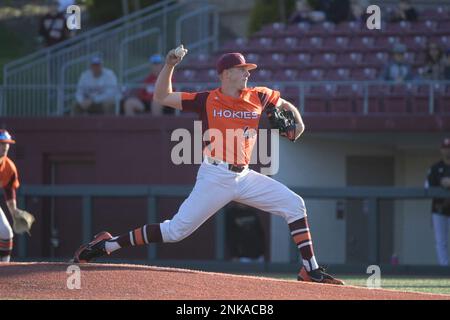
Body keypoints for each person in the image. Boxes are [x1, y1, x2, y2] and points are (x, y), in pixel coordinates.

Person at [72, 48, 344, 285]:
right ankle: (106, 245)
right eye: (242, 69)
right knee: (174, 231)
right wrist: (169, 65)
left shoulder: (258, 96)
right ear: (226, 73)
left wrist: (299, 124)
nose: (248, 73)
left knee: (294, 205)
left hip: (245, 176)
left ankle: (310, 270)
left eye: (248, 69)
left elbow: (287, 106)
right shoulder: (207, 99)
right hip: (215, 175)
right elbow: (162, 97)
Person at [0, 130, 26, 262]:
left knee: (6, 233)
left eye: (7, 144)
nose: (4, 147)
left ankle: (4, 269)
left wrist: (14, 212)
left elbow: (9, 191)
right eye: (1, 143)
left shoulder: (9, 167)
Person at [425, 138, 450, 266]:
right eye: (445, 148)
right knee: (441, 241)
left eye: (449, 148)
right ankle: (445, 267)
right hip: (439, 209)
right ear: (441, 150)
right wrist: (442, 184)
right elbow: (427, 187)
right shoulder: (435, 168)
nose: (448, 151)